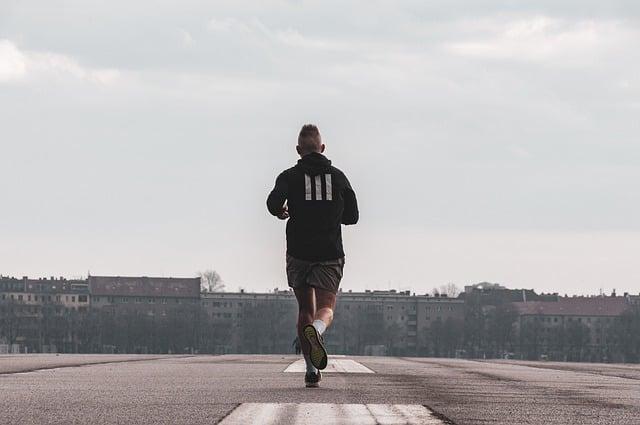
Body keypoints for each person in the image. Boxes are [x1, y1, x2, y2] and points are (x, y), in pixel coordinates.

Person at [267, 124, 359, 388]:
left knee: (305, 309)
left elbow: (273, 202)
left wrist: (281, 211)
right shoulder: (339, 177)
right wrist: (331, 213)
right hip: (329, 252)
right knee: (326, 308)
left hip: (298, 252)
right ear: (322, 148)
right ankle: (318, 331)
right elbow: (352, 217)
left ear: (298, 150)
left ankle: (310, 370)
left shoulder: (289, 176)